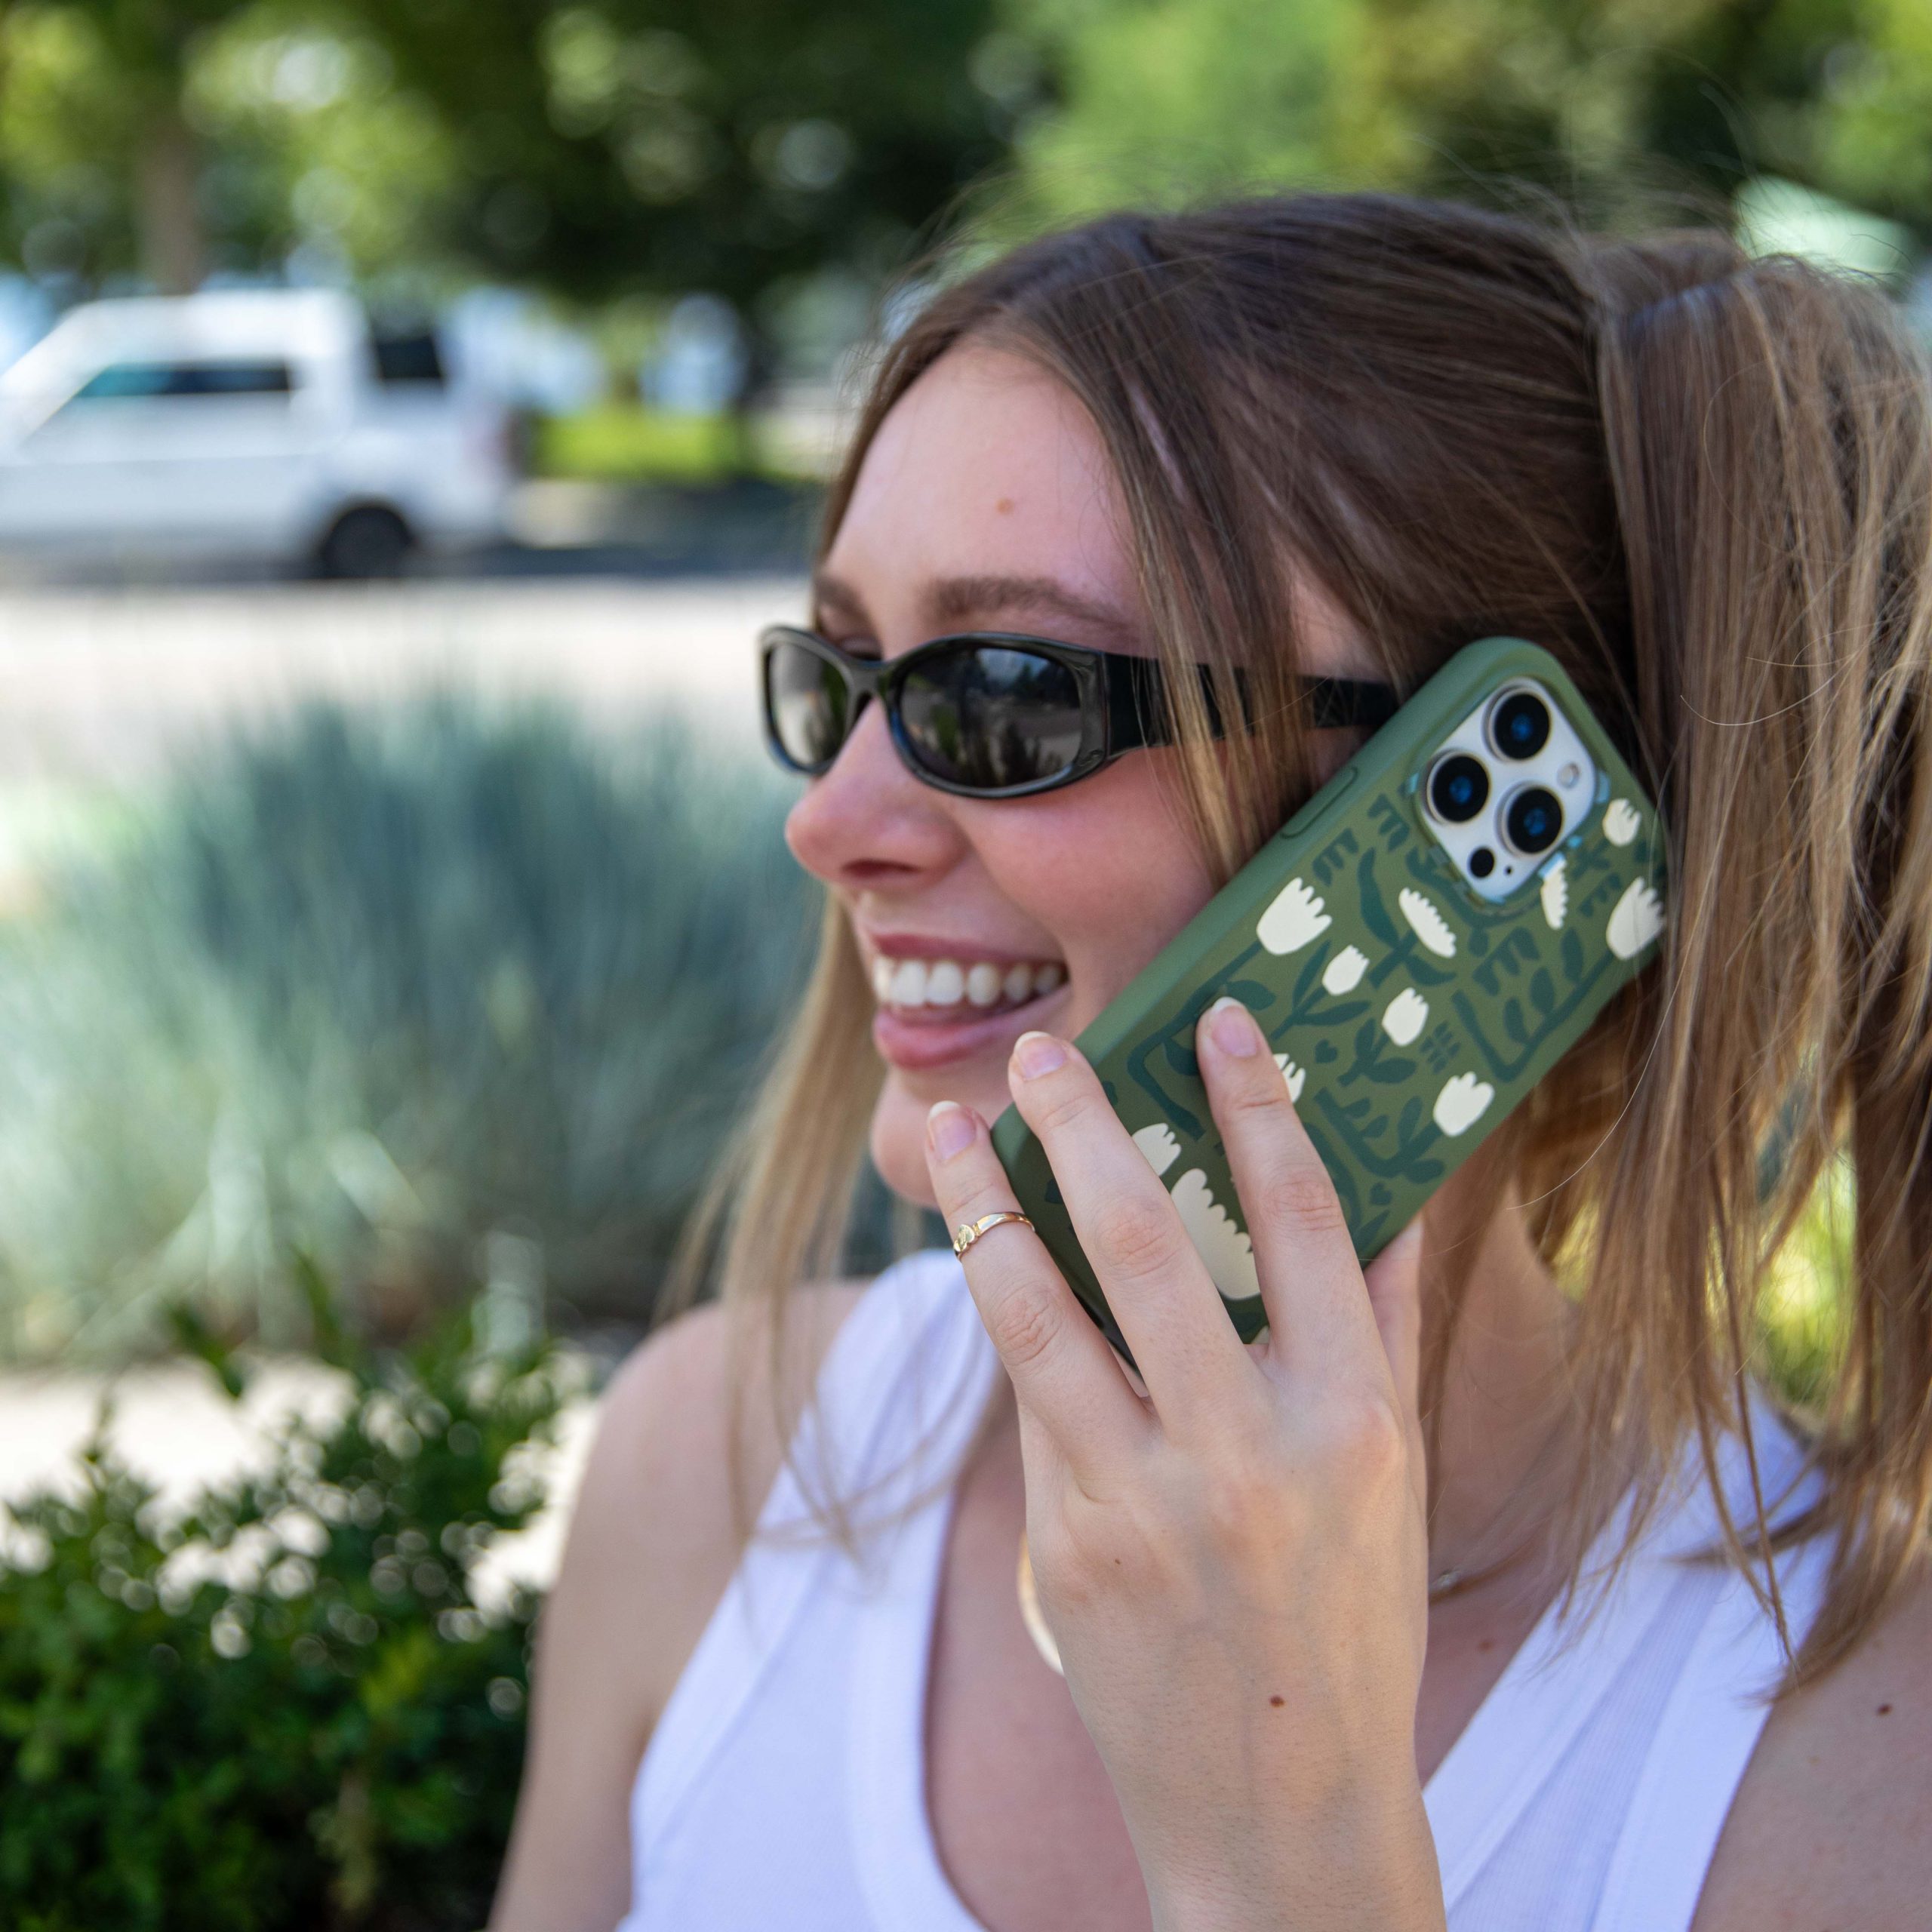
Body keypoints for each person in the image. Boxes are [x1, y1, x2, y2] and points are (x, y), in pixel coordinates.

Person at [490, 195, 1932, 1932]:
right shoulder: (720, 1468)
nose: (830, 822)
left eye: (1004, 692)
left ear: (1465, 821)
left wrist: (1286, 1856)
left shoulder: (1861, 1753)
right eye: (844, 674)